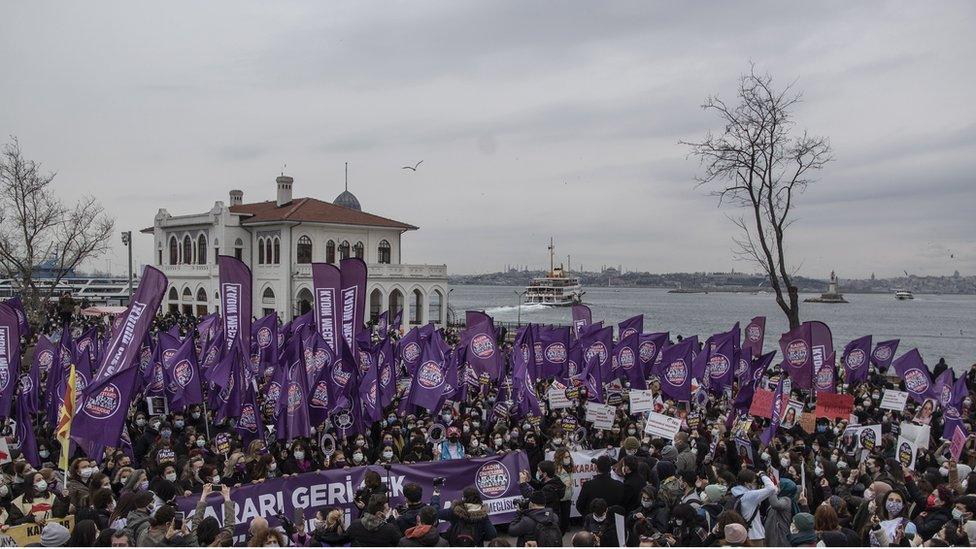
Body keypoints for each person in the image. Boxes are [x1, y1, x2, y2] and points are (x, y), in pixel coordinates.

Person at [729, 469, 776, 544]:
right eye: (754, 482)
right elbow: (771, 488)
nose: (755, 484)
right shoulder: (749, 496)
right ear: (746, 483)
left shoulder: (736, 493)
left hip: (743, 533)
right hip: (754, 536)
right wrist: (763, 475)